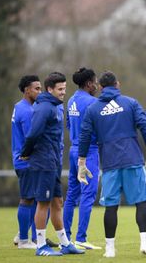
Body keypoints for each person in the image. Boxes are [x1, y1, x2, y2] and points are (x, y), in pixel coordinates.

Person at [77, 71, 146, 258]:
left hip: (109, 163)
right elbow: (145, 126)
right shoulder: (130, 103)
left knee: (111, 206)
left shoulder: (92, 109)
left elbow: (84, 136)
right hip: (132, 160)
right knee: (141, 202)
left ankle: (109, 250)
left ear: (100, 87)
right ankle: (145, 243)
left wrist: (81, 162)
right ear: (118, 84)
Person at [20, 72, 84, 256]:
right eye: (60, 89)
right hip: (43, 163)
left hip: (53, 162)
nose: (64, 92)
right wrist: (26, 153)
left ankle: (65, 243)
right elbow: (32, 134)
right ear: (50, 89)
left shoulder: (55, 107)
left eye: (65, 88)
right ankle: (40, 246)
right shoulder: (45, 107)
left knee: (58, 202)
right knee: (43, 204)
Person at [62, 68, 101, 250]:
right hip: (89, 152)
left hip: (73, 149)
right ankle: (81, 237)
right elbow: (99, 129)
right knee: (88, 194)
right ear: (88, 84)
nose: (97, 85)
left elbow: (69, 124)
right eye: (95, 82)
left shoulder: (70, 100)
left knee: (71, 194)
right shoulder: (93, 102)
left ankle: (66, 237)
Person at [11, 75, 42, 249]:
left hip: (23, 160)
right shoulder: (27, 111)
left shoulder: (19, 106)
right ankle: (24, 240)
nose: (40, 91)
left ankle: (30, 236)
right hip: (27, 161)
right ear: (26, 90)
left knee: (36, 200)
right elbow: (32, 137)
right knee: (28, 199)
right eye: (36, 88)